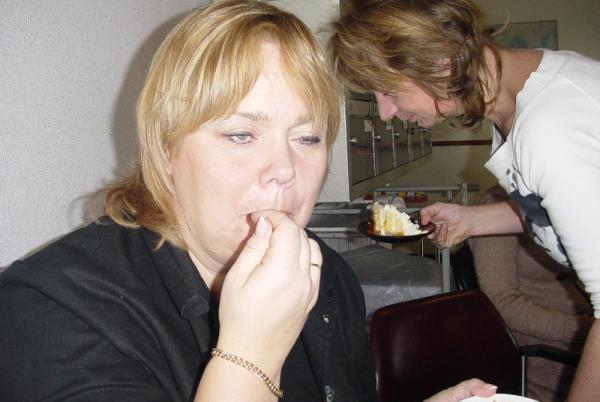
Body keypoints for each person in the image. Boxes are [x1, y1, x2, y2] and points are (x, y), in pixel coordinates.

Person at [0, 1, 496, 401]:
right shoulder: (48, 312)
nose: (285, 169)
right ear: (166, 150)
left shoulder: (327, 278)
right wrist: (250, 355)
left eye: (307, 138)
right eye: (241, 134)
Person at [328, 0, 600, 400]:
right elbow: (558, 209)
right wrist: (473, 220)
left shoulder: (550, 130)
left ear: (439, 62)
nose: (385, 113)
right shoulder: (523, 96)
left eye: (388, 90)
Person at [469, 186, 594, 401]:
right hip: (548, 344)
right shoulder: (497, 204)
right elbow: (503, 303)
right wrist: (579, 328)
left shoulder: (555, 198)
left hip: (580, 327)